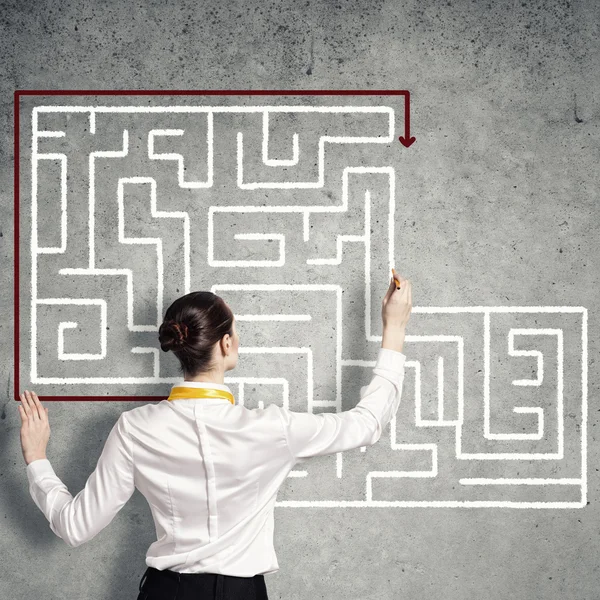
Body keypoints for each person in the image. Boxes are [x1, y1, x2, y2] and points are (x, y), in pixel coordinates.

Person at [18, 268, 412, 600]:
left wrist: (37, 459)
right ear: (226, 343)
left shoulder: (135, 429)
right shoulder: (273, 429)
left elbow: (75, 527)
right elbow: (367, 424)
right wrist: (394, 327)